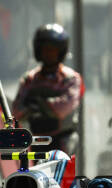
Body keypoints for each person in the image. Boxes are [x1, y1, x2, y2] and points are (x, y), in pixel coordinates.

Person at [12, 23, 84, 155]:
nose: (48, 53)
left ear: (61, 51)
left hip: (63, 140)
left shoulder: (71, 78)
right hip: (37, 140)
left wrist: (37, 104)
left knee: (63, 173)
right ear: (38, 50)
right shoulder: (30, 79)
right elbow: (16, 111)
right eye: (45, 49)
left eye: (53, 49)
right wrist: (46, 105)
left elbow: (64, 108)